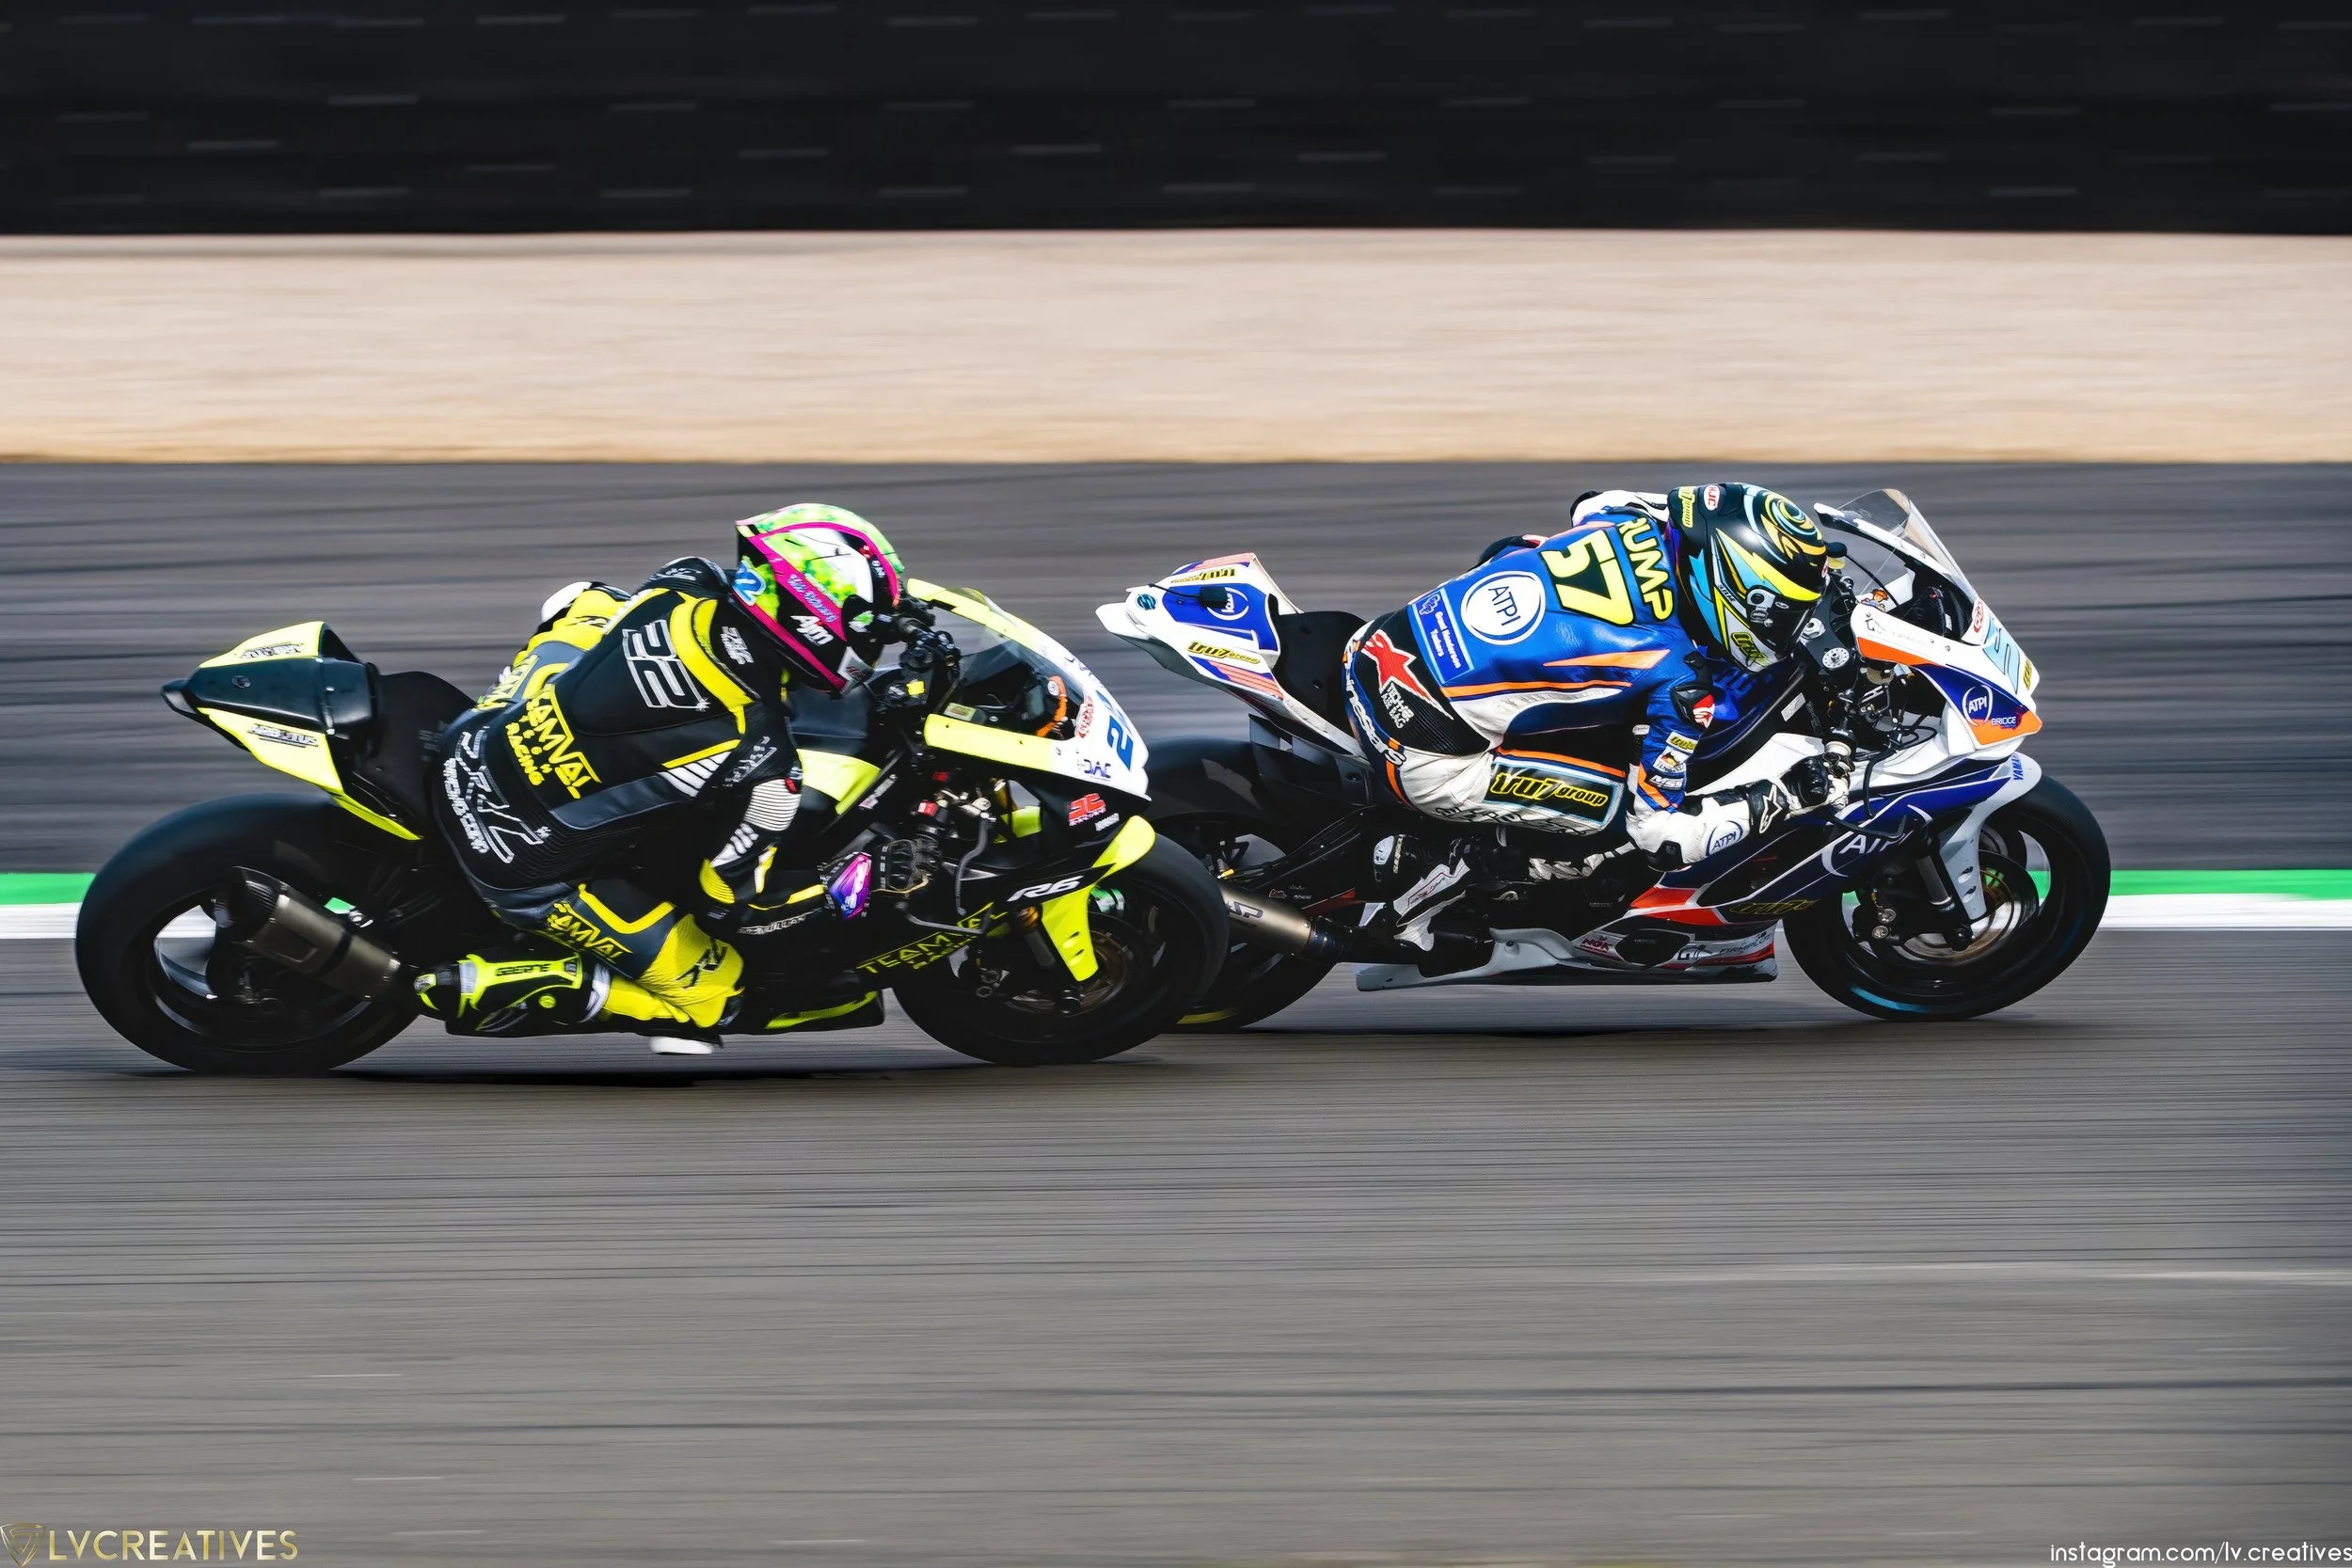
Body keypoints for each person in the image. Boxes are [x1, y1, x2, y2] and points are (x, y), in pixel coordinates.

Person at [416, 503, 906, 1053]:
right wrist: (854, 883)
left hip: (478, 739)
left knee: (590, 603)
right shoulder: (762, 756)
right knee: (721, 994)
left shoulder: (688, 579)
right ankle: (520, 982)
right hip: (517, 856)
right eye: (865, 622)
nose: (873, 638)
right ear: (812, 619)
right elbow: (733, 900)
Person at [1341, 481, 1840, 880]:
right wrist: (1790, 795)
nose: (1790, 625)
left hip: (1374, 645)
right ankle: (1443, 887)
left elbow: (1594, 502)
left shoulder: (1629, 519)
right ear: (1732, 590)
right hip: (1425, 753)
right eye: (1786, 610)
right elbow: (1662, 839)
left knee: (1518, 548)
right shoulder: (1679, 679)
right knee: (1615, 819)